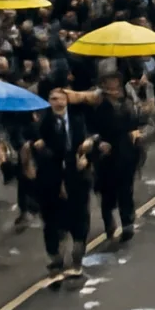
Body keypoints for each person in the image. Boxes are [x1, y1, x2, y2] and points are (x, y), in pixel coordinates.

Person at [30, 87, 93, 277]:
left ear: (67, 100)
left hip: (76, 176)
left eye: (60, 98)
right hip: (51, 178)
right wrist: (39, 148)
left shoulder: (78, 120)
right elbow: (33, 147)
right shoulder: (41, 123)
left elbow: (89, 141)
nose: (57, 102)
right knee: (51, 219)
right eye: (53, 99)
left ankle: (77, 257)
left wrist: (87, 156)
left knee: (79, 216)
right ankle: (55, 257)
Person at [92, 72, 142, 242]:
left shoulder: (126, 103)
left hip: (125, 153)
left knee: (126, 191)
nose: (114, 87)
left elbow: (134, 123)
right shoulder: (98, 106)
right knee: (107, 193)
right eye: (110, 83)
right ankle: (109, 222)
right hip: (106, 157)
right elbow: (90, 129)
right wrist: (98, 142)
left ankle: (127, 224)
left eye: (116, 83)